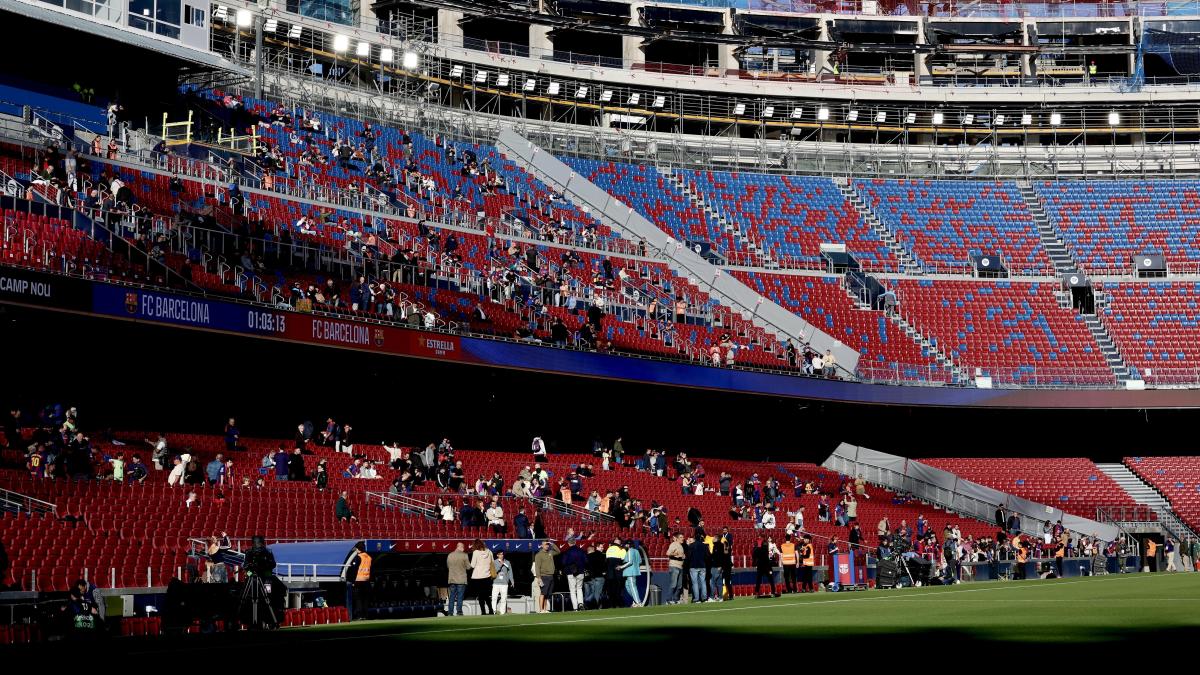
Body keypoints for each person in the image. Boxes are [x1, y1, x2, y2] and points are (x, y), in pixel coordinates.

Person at [468, 540, 495, 615]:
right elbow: (492, 562)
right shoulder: (489, 552)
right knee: (486, 595)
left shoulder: (475, 552)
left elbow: (472, 565)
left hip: (477, 577)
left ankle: (483, 611)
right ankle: (491, 610)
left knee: (480, 596)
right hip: (487, 576)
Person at [533, 539, 560, 613]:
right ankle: (541, 609)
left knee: (547, 594)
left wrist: (552, 544)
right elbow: (537, 567)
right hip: (544, 576)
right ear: (542, 546)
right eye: (545, 544)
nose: (547, 546)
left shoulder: (550, 552)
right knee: (543, 593)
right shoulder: (539, 555)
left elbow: (558, 551)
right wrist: (539, 577)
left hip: (551, 576)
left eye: (547, 544)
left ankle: (545, 609)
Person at [562, 541, 588, 611]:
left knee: (572, 590)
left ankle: (575, 607)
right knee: (579, 588)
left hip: (570, 572)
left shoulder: (567, 551)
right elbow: (586, 561)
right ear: (575, 542)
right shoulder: (581, 550)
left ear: (569, 543)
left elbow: (563, 562)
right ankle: (581, 604)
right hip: (580, 572)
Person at [446, 543, 470, 616]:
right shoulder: (464, 555)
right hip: (461, 580)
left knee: (452, 597)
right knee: (460, 596)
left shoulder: (450, 555)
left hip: (452, 579)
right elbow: (468, 567)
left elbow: (448, 566)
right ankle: (459, 612)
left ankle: (450, 612)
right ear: (461, 547)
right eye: (463, 547)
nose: (464, 549)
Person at [685, 535, 708, 603]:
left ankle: (696, 599)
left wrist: (687, 565)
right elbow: (707, 556)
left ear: (694, 539)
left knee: (695, 583)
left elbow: (688, 556)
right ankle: (704, 598)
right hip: (702, 565)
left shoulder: (691, 546)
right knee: (703, 582)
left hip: (693, 566)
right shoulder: (704, 546)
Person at [621, 540, 644, 607]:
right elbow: (640, 561)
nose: (625, 546)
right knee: (628, 586)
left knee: (632, 587)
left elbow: (630, 562)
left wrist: (621, 567)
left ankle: (638, 602)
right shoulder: (636, 551)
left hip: (630, 572)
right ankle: (635, 600)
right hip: (632, 571)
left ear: (628, 545)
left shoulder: (630, 551)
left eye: (625, 544)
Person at [604, 538, 626, 608]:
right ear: (620, 543)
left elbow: (606, 560)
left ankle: (611, 604)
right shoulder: (622, 549)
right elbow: (624, 560)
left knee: (610, 590)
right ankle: (619, 604)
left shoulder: (609, 549)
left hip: (610, 574)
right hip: (618, 573)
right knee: (618, 590)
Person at [666, 532, 685, 604]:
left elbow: (681, 555)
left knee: (679, 585)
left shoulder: (681, 545)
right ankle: (668, 600)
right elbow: (668, 553)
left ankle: (675, 599)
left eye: (683, 537)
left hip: (680, 566)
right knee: (673, 584)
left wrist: (683, 556)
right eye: (681, 537)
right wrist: (675, 554)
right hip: (674, 566)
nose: (682, 538)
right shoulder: (673, 544)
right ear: (676, 538)